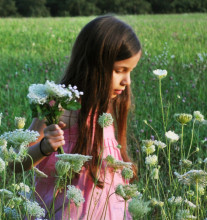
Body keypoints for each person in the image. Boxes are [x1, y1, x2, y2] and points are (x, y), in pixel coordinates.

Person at [20, 15, 141, 219]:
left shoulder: (108, 107)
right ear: (93, 65)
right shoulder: (57, 107)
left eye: (130, 72)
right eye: (120, 71)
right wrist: (43, 148)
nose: (127, 81)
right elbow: (16, 161)